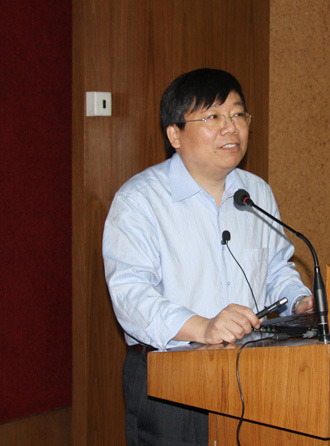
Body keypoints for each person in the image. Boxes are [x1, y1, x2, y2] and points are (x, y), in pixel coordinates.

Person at [102, 68, 314, 445]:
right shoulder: (139, 200)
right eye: (213, 117)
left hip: (250, 367)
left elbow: (276, 268)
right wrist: (203, 327)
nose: (230, 128)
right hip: (170, 381)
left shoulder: (256, 193)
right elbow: (130, 296)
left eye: (238, 114)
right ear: (175, 135)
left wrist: (299, 301)